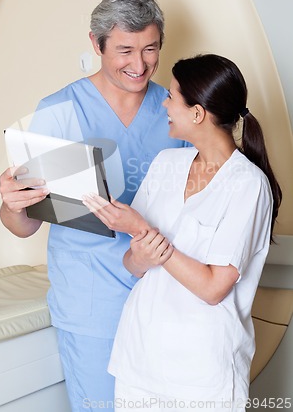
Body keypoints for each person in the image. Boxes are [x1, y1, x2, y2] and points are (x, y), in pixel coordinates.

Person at [0, 0, 190, 411]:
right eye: (124, 50)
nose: (139, 65)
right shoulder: (60, 111)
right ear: (96, 44)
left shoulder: (174, 109)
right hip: (91, 303)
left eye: (150, 49)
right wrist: (13, 204)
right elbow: (26, 221)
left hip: (164, 293)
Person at [82, 54, 282, 411]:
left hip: (201, 371)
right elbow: (134, 265)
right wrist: (139, 252)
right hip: (139, 360)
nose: (164, 103)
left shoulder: (248, 186)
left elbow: (212, 287)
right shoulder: (165, 165)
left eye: (172, 96)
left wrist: (143, 230)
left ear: (197, 113)